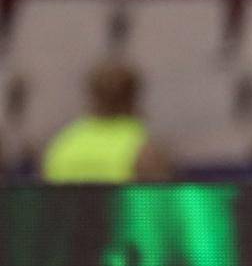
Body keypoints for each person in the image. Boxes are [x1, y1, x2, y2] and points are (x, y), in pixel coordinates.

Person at [42, 61, 170, 183]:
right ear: (133, 96)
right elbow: (158, 197)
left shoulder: (60, 144)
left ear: (92, 95)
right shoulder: (146, 150)